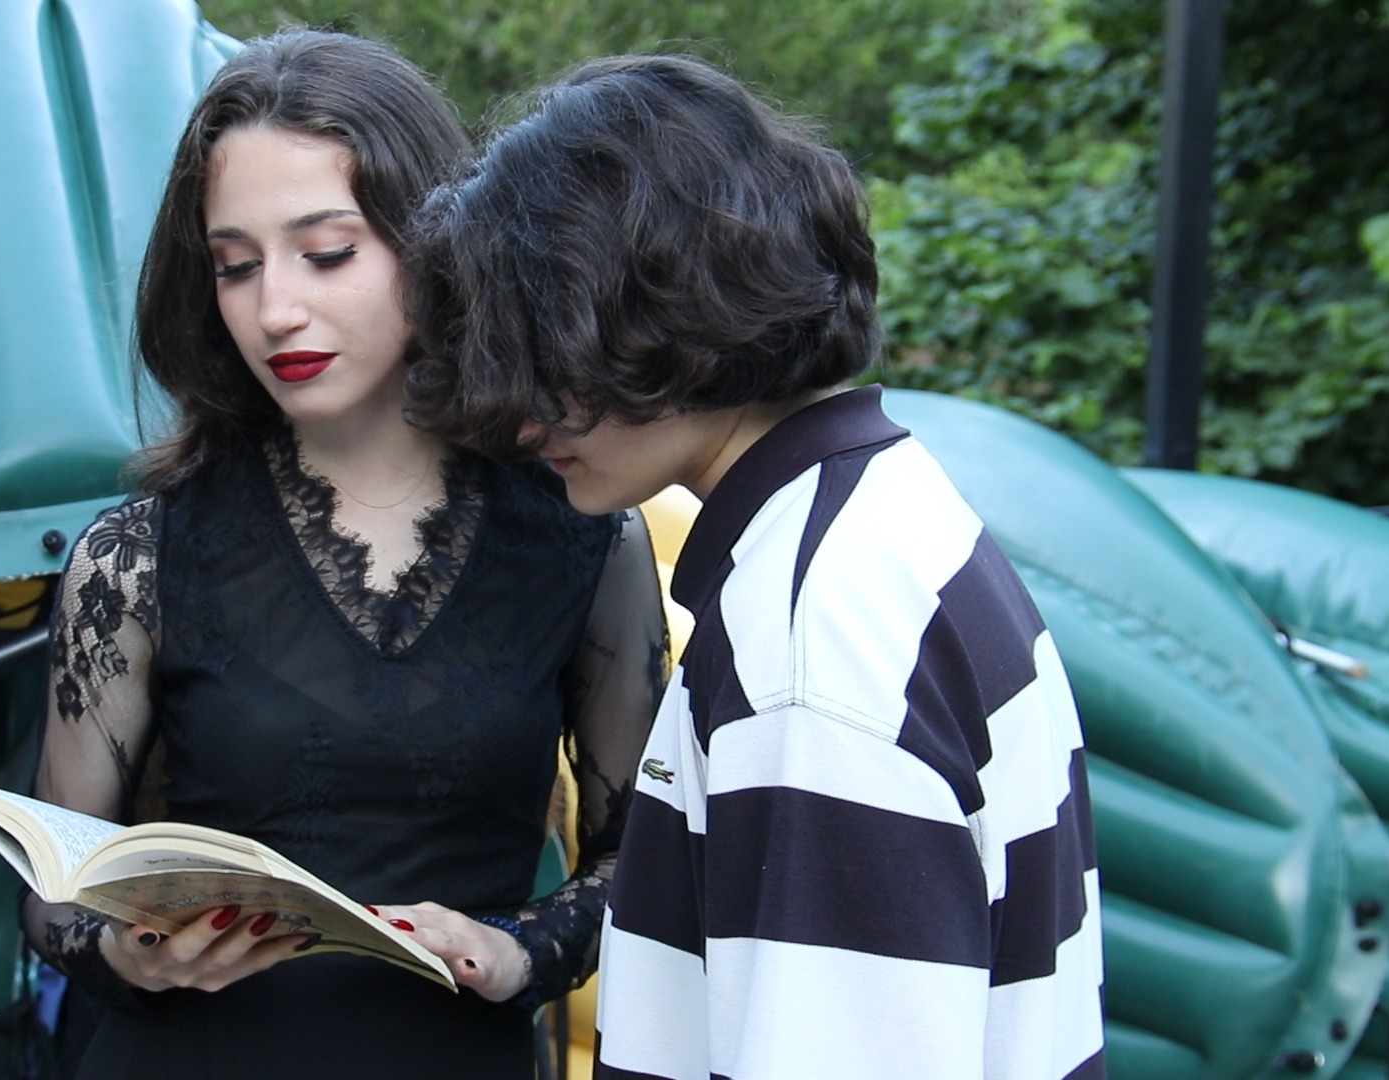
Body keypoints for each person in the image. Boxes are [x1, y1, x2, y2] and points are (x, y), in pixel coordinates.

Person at [403, 54, 1105, 1080]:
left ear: (660, 311)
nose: (518, 415)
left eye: (543, 350)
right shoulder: (883, 516)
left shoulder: (807, 642)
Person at [23, 29, 667, 1080]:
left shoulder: (587, 534)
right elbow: (52, 891)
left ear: (437, 242)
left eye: (326, 253)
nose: (275, 309)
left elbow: (640, 857)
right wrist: (127, 953)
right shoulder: (135, 556)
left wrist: (516, 952)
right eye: (236, 267)